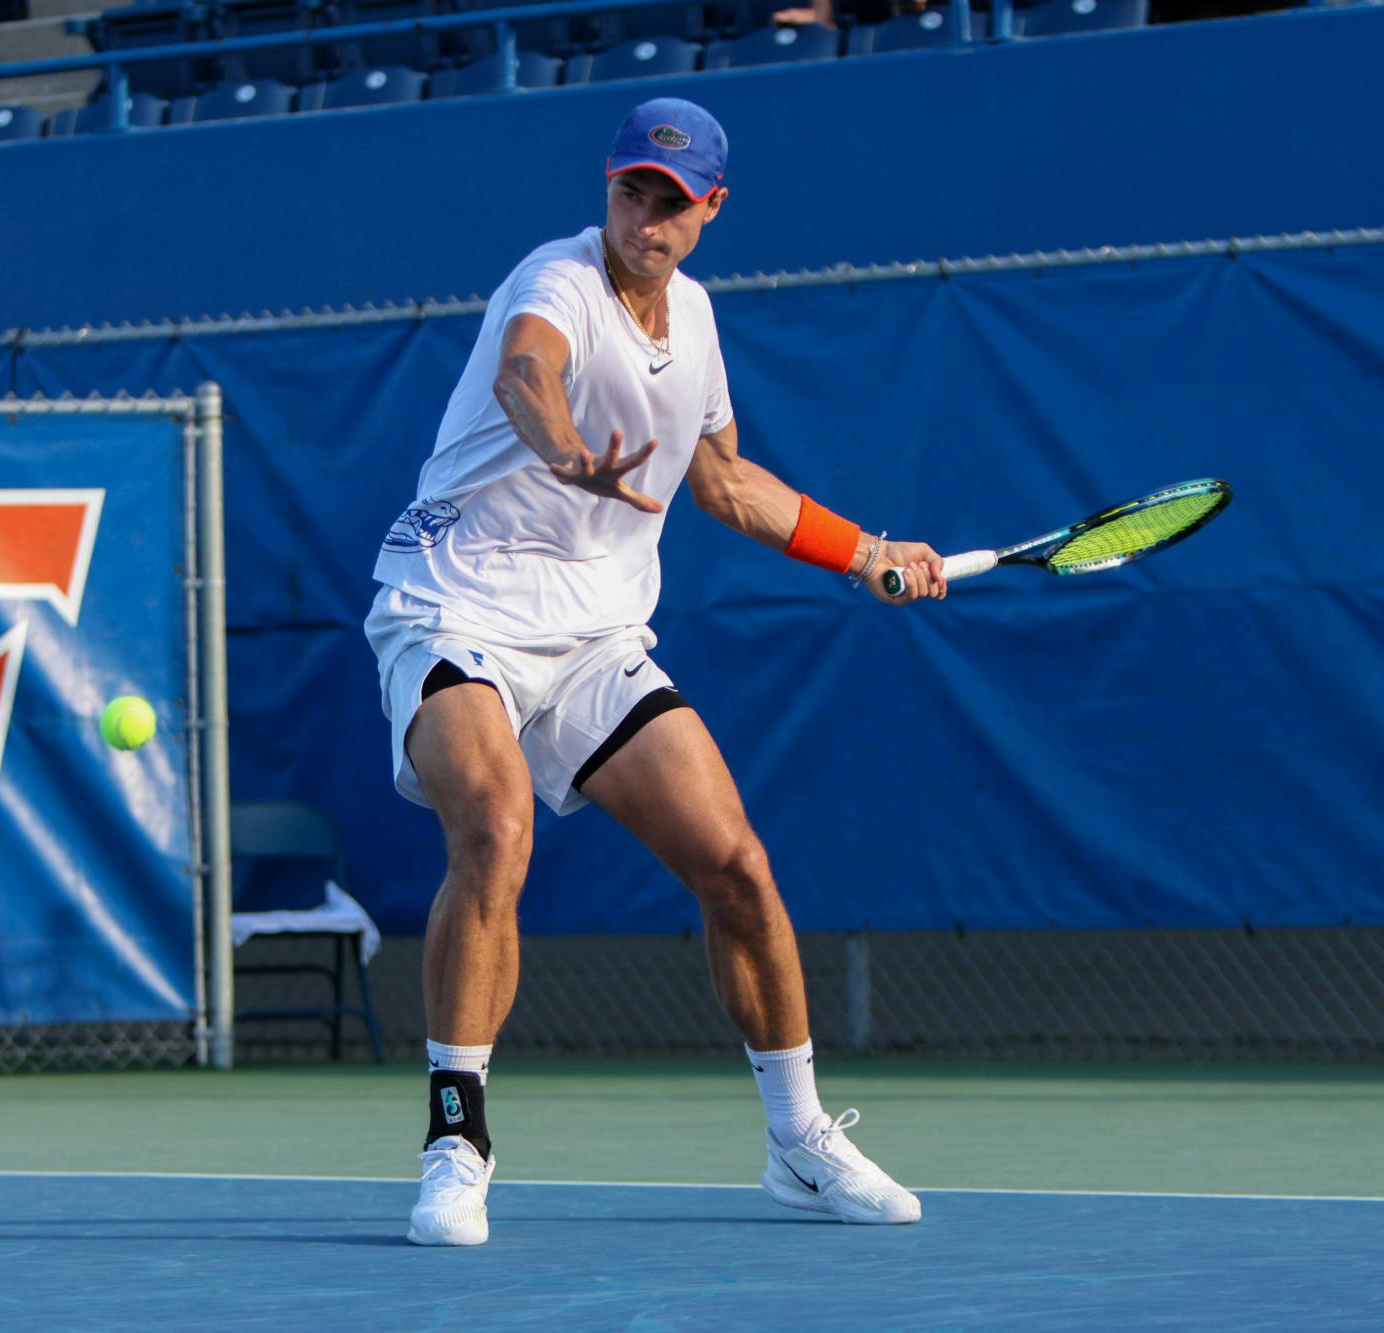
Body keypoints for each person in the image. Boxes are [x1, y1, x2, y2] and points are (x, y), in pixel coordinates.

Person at [367, 97, 949, 1248]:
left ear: (709, 211)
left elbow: (726, 483)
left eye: (673, 203)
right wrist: (569, 452)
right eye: (633, 191)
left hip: (593, 638)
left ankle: (797, 1143)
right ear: (608, 187)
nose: (648, 217)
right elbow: (524, 374)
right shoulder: (555, 281)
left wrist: (864, 551)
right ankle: (456, 1141)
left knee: (733, 862)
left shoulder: (695, 320)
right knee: (489, 821)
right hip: (453, 607)